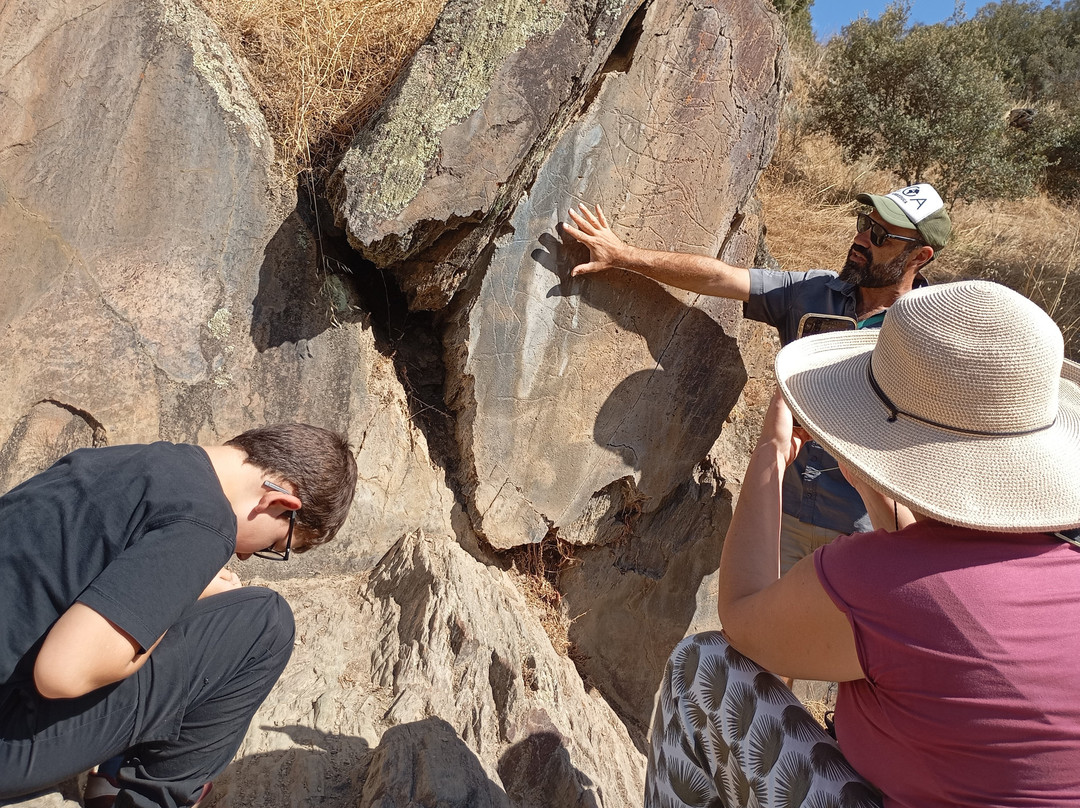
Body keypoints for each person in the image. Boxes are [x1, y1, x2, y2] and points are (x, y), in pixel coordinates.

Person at [645, 280, 1080, 806]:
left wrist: (772, 448)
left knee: (702, 668)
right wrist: (878, 486)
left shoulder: (879, 581)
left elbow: (741, 617)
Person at [563, 184, 951, 572]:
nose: (862, 238)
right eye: (864, 223)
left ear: (919, 255)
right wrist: (624, 256)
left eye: (880, 235)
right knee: (761, 627)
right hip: (781, 513)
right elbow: (720, 279)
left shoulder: (931, 332)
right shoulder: (812, 293)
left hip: (864, 529)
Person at [0, 423, 358, 808]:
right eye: (274, 545)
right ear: (280, 504)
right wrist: (176, 599)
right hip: (9, 739)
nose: (244, 556)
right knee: (264, 624)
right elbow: (62, 674)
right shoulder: (205, 521)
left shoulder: (120, 460)